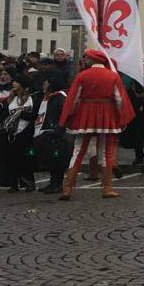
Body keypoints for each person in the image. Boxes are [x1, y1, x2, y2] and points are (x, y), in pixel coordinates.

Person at [59, 49, 135, 200]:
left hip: (85, 115)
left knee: (78, 150)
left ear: (91, 60)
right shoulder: (112, 76)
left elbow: (74, 99)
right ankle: (107, 188)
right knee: (106, 152)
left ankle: (67, 188)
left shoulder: (82, 76)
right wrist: (122, 118)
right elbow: (120, 100)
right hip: (107, 115)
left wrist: (71, 116)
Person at [32, 77, 69, 194]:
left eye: (46, 84)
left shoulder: (59, 98)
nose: (43, 86)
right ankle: (53, 183)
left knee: (57, 160)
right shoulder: (48, 98)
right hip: (45, 132)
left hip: (55, 133)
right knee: (50, 160)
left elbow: (63, 115)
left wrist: (57, 130)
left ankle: (57, 184)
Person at [0, 74, 37, 192]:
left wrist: (21, 114)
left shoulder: (32, 99)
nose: (13, 84)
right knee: (11, 159)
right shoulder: (10, 100)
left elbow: (34, 116)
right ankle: (13, 183)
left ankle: (28, 182)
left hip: (26, 133)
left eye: (16, 82)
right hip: (12, 134)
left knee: (26, 160)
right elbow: (5, 116)